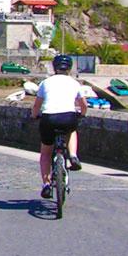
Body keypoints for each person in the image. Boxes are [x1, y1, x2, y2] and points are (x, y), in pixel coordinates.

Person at [30, 54, 87, 199]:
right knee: (72, 130)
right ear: (69, 68)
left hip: (48, 118)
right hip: (68, 117)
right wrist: (82, 114)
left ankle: (46, 184)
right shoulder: (74, 83)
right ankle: (73, 155)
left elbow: (37, 105)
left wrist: (34, 115)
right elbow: (83, 105)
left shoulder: (46, 82)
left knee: (46, 153)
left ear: (54, 67)